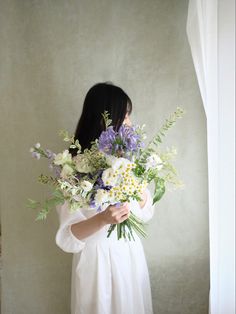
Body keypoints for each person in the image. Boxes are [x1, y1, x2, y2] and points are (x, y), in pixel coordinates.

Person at [55, 82, 155, 314]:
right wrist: (102, 219)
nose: (129, 122)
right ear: (106, 118)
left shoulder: (128, 161)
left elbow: (145, 213)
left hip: (130, 255)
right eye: (125, 114)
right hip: (96, 263)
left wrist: (137, 184)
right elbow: (68, 237)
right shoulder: (73, 168)